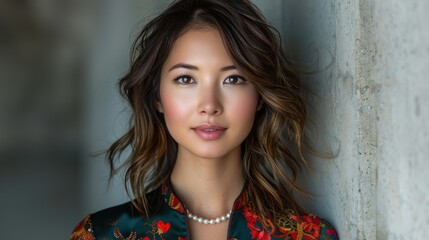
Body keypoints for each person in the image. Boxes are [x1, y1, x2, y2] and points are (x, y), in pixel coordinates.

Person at [70, 0, 339, 239]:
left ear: (259, 96)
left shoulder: (309, 236)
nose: (209, 105)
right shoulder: (101, 235)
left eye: (233, 79)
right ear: (158, 97)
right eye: (186, 79)